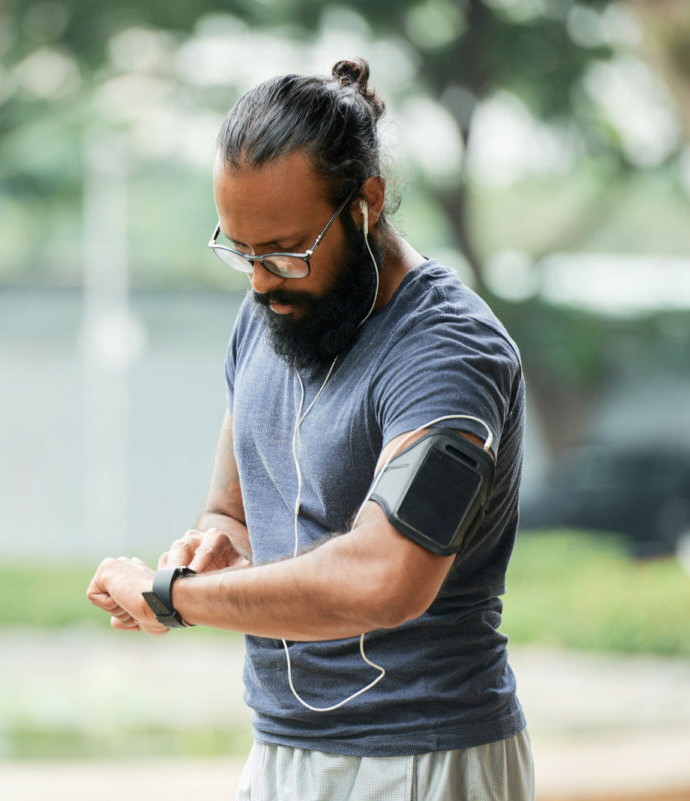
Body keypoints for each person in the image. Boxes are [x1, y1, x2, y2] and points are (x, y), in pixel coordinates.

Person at [87, 58, 533, 801]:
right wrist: (217, 542)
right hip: (282, 747)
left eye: (287, 253)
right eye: (242, 252)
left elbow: (384, 576)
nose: (263, 281)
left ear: (366, 203)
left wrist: (173, 595)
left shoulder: (449, 353)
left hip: (426, 755)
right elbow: (232, 506)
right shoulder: (267, 316)